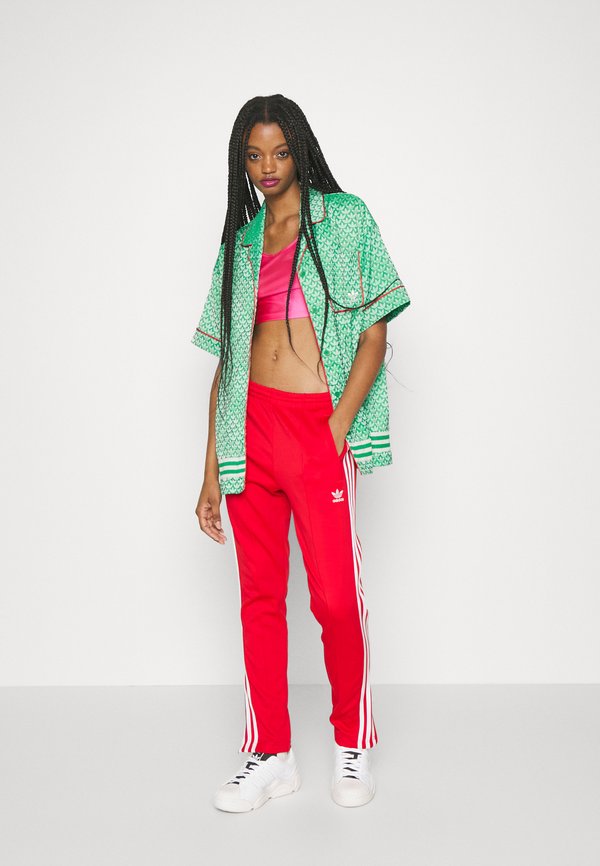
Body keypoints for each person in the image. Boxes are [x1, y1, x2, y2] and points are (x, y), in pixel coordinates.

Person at [191, 94, 411, 812]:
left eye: (280, 152)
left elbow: (375, 332)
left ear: (301, 150)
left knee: (335, 598)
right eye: (254, 155)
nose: (268, 167)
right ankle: (271, 754)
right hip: (249, 431)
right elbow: (227, 360)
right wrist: (210, 469)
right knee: (259, 597)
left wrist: (338, 425)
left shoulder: (344, 220)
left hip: (316, 428)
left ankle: (352, 743)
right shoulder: (241, 243)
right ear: (241, 160)